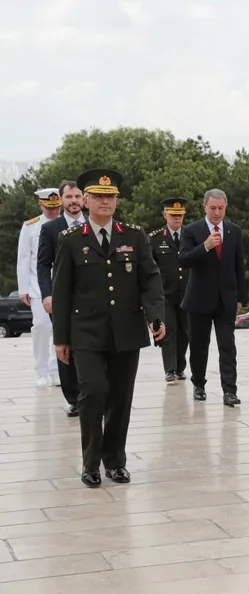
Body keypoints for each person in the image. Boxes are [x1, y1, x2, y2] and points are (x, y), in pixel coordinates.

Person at [51, 168, 165, 487]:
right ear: (85, 200)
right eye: (98, 196)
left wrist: (156, 316)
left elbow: (150, 279)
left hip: (126, 329)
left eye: (110, 196)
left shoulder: (134, 236)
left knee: (120, 396)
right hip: (85, 331)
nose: (105, 201)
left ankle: (115, 460)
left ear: (117, 200)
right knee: (93, 391)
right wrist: (61, 337)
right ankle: (90, 463)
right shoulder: (71, 241)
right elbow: (61, 291)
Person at [178, 189, 247, 407]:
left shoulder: (234, 231)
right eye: (212, 208)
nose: (217, 213)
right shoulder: (191, 230)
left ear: (226, 207)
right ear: (204, 207)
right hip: (199, 299)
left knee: (228, 345)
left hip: (226, 298)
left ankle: (230, 390)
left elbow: (239, 266)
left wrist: (240, 297)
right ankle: (199, 383)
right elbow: (184, 260)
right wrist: (205, 246)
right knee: (199, 345)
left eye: (221, 208)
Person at [37, 180, 86, 416]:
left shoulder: (95, 224)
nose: (74, 201)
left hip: (91, 296)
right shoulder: (50, 229)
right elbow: (43, 265)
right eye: (69, 197)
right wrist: (47, 294)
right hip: (62, 298)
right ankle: (74, 398)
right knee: (65, 346)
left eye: (78, 197)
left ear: (84, 200)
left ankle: (95, 394)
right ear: (61, 200)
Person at [17, 188, 62, 388]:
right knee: (42, 327)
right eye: (49, 207)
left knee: (61, 330)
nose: (53, 211)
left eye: (56, 207)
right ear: (40, 205)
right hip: (38, 287)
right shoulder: (31, 227)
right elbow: (24, 258)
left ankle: (56, 370)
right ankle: (41, 370)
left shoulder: (68, 224)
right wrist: (23, 288)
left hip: (63, 285)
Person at [149, 198, 191, 383]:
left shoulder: (191, 235)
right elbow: (150, 268)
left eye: (180, 215)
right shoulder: (155, 238)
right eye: (173, 215)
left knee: (185, 332)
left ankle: (180, 367)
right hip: (165, 294)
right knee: (168, 330)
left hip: (187, 293)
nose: (177, 218)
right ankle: (170, 369)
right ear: (165, 215)